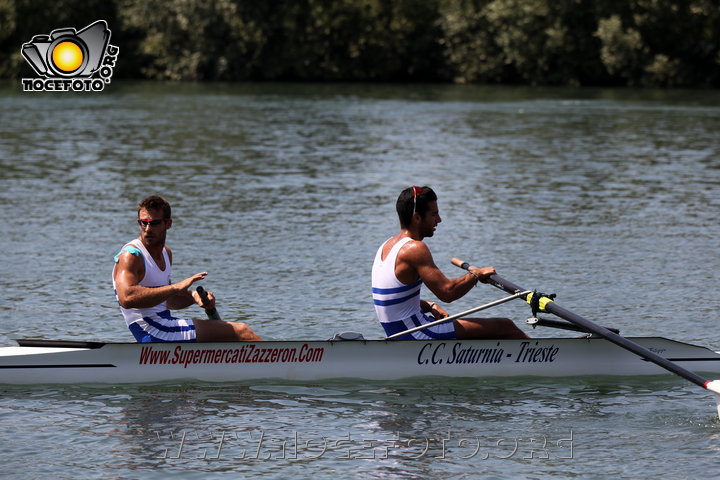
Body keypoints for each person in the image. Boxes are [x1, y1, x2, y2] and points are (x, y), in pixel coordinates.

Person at [372, 186, 528, 340]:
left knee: (485, 332)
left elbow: (393, 303)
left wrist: (430, 305)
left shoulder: (386, 246)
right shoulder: (414, 248)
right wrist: (476, 274)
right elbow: (447, 293)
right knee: (505, 326)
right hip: (416, 334)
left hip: (399, 333)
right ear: (417, 218)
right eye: (434, 214)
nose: (439, 220)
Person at [112, 195, 262, 342]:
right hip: (152, 331)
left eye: (154, 223)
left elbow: (167, 301)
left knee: (222, 333)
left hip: (165, 325)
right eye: (143, 223)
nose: (147, 229)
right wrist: (176, 287)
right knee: (242, 331)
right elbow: (127, 298)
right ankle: (282, 364)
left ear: (168, 223)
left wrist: (193, 297)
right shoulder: (131, 256)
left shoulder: (166, 253)